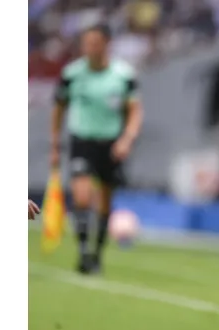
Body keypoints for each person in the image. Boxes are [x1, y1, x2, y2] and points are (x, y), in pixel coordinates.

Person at [50, 24, 143, 275]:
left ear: (106, 44)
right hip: (82, 140)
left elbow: (134, 110)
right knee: (81, 196)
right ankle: (82, 252)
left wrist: (127, 138)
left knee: (104, 202)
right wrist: (55, 143)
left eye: (95, 43)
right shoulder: (72, 74)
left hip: (111, 145)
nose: (89, 48)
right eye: (86, 43)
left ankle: (97, 253)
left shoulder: (123, 75)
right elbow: (58, 109)